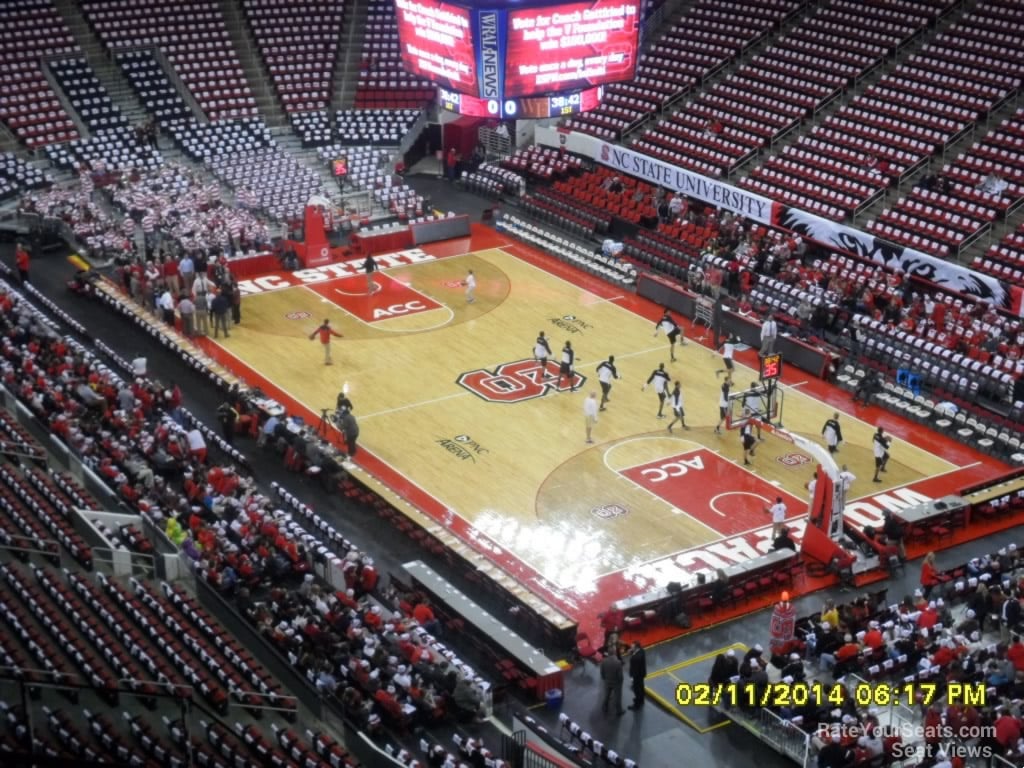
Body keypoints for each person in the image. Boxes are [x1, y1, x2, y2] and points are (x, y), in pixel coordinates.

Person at [599, 651, 625, 716]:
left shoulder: (603, 661)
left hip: (607, 682)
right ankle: (619, 711)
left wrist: (605, 679)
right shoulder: (618, 663)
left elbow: (602, 673)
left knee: (607, 695)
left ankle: (605, 707)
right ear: (615, 654)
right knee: (617, 697)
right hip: (616, 683)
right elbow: (620, 676)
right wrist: (620, 682)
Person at [627, 641, 646, 710]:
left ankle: (636, 705)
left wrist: (632, 677)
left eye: (632, 647)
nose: (631, 647)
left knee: (636, 689)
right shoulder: (642, 651)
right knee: (641, 687)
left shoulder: (635, 658)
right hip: (642, 674)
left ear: (636, 647)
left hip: (636, 676)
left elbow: (635, 668)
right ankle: (641, 700)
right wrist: (632, 652)